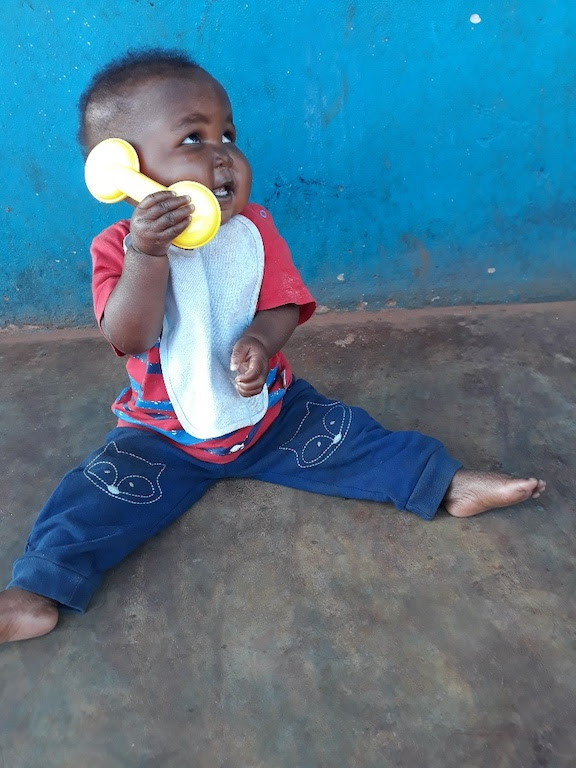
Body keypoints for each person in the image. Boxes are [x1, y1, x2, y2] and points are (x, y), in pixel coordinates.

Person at [0, 49, 545, 643]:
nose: (223, 156)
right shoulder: (118, 247)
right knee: (91, 497)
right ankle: (38, 590)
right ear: (127, 171)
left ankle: (445, 485)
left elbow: (283, 301)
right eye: (193, 139)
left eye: (228, 135)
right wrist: (147, 253)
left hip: (270, 415)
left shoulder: (252, 231)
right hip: (159, 436)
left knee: (353, 435)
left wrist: (261, 339)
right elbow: (130, 336)